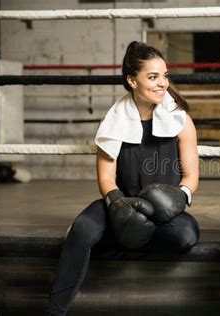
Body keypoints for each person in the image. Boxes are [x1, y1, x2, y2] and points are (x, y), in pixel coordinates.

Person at [47, 41, 200, 315]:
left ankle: (128, 235)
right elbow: (106, 177)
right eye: (153, 77)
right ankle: (54, 312)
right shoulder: (114, 121)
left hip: (164, 211)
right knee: (82, 229)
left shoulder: (180, 119)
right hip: (122, 204)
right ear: (132, 80)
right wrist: (118, 206)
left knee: (187, 234)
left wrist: (180, 196)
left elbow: (191, 174)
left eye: (164, 76)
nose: (163, 83)